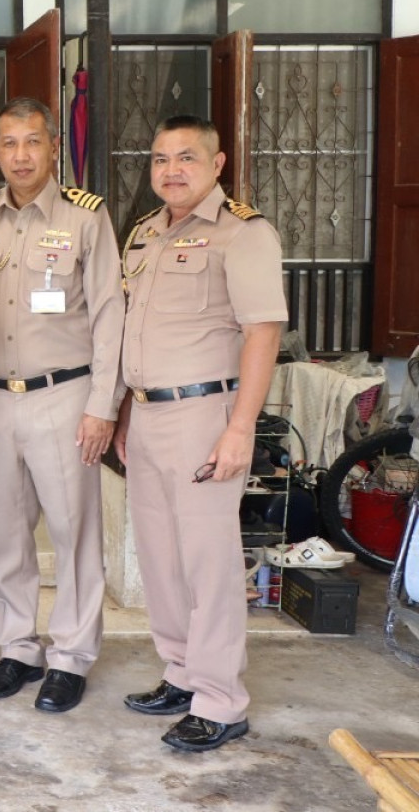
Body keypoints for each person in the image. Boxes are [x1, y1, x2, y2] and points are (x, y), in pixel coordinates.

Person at [114, 114, 285, 753]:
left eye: (186, 157)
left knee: (208, 562)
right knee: (160, 556)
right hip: (147, 415)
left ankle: (220, 699)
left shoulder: (243, 232)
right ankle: (181, 672)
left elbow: (262, 333)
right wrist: (125, 413)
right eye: (160, 159)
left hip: (204, 416)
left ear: (216, 165)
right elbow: (133, 330)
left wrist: (240, 429)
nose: (171, 170)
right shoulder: (144, 233)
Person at [0, 98, 124, 714]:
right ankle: (18, 648)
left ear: (54, 147)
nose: (21, 155)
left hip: (65, 396)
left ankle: (71, 656)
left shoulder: (86, 217)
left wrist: (103, 404)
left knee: (73, 532)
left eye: (33, 142)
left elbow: (109, 314)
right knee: (3, 532)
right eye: (9, 143)